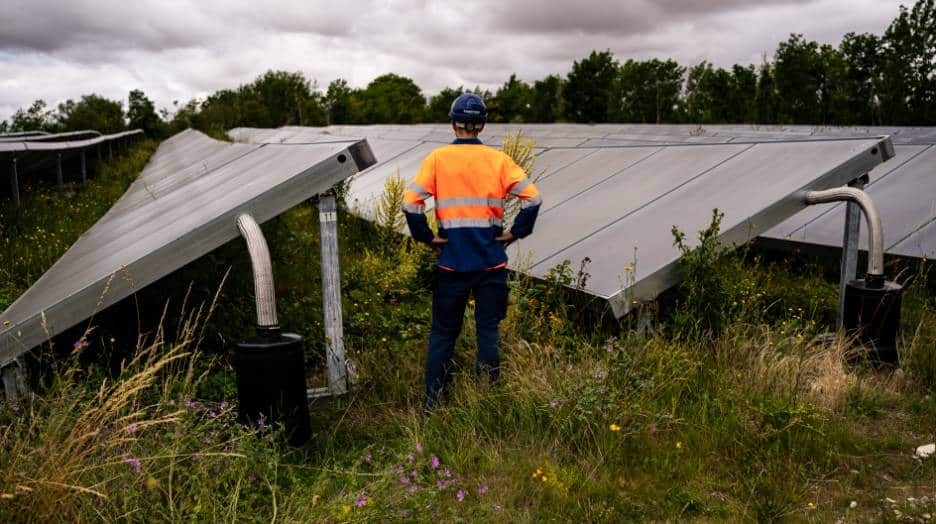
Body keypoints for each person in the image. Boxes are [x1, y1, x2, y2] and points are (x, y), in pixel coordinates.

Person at [402, 92, 542, 412]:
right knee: (488, 334)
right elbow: (532, 199)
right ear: (482, 124)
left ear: (453, 123)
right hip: (491, 263)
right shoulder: (499, 161)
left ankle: (433, 405)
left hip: (451, 264)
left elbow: (410, 203)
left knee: (442, 336)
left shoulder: (437, 159)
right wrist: (515, 232)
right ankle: (489, 402)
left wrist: (426, 237)